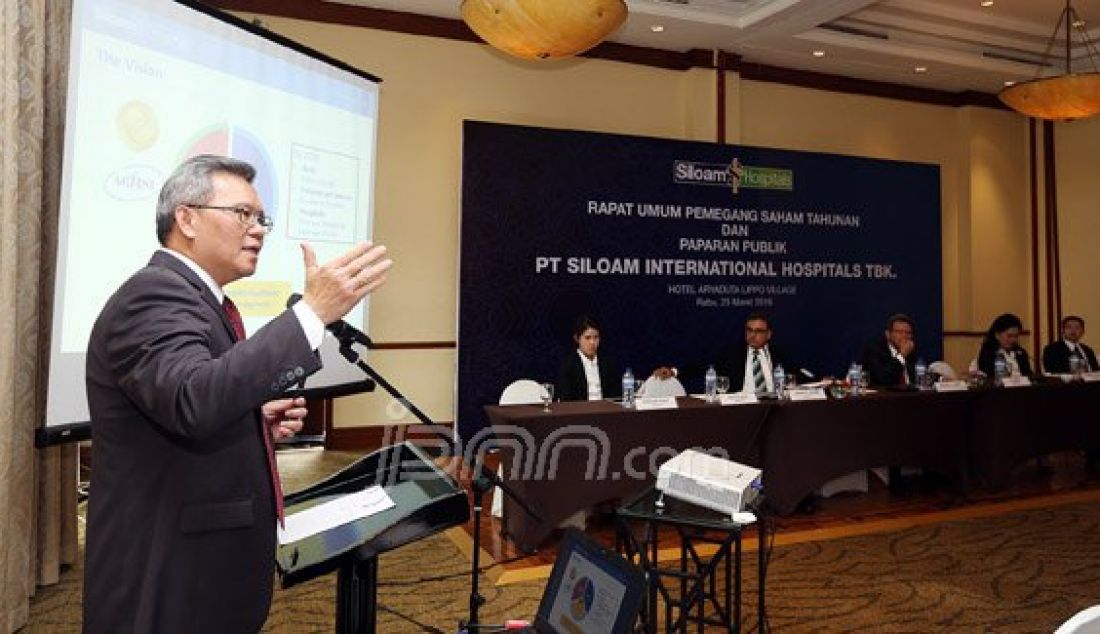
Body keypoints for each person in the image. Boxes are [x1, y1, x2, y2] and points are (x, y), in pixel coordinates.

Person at [83, 155, 393, 633]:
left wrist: (253, 416)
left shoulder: (201, 299)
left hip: (204, 570)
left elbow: (189, 401)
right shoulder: (153, 296)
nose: (259, 230)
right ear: (186, 218)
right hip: (169, 577)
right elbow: (192, 399)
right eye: (242, 214)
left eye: (261, 218)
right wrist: (311, 314)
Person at [654, 312, 795, 394]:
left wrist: (817, 383)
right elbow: (703, 367)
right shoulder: (732, 354)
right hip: (742, 409)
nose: (752, 335)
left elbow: (796, 376)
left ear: (768, 334)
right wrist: (674, 371)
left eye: (758, 331)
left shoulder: (779, 355)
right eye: (749, 330)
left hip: (775, 408)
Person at [556, 315, 621, 401]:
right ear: (577, 338)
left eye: (596, 337)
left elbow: (616, 396)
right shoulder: (567, 366)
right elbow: (566, 399)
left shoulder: (608, 364)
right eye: (587, 338)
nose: (592, 342)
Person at [861, 314, 919, 387]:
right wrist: (902, 355)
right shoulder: (874, 351)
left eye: (908, 333)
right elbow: (882, 379)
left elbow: (917, 380)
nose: (904, 336)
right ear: (888, 334)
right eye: (899, 332)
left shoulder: (912, 351)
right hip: (885, 396)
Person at [977, 313, 1033, 378]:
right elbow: (990, 377)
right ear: (997, 335)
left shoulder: (1021, 352)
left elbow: (1028, 375)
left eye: (1016, 336)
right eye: (1010, 336)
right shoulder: (988, 353)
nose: (1013, 340)